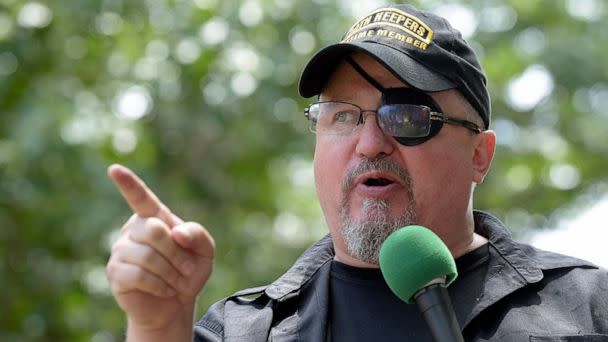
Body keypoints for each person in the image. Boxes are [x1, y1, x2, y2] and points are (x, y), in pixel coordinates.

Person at [106, 4, 608, 341]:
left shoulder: (588, 310)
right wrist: (157, 326)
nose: (370, 143)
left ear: (481, 154)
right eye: (343, 115)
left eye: (408, 116)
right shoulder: (242, 331)